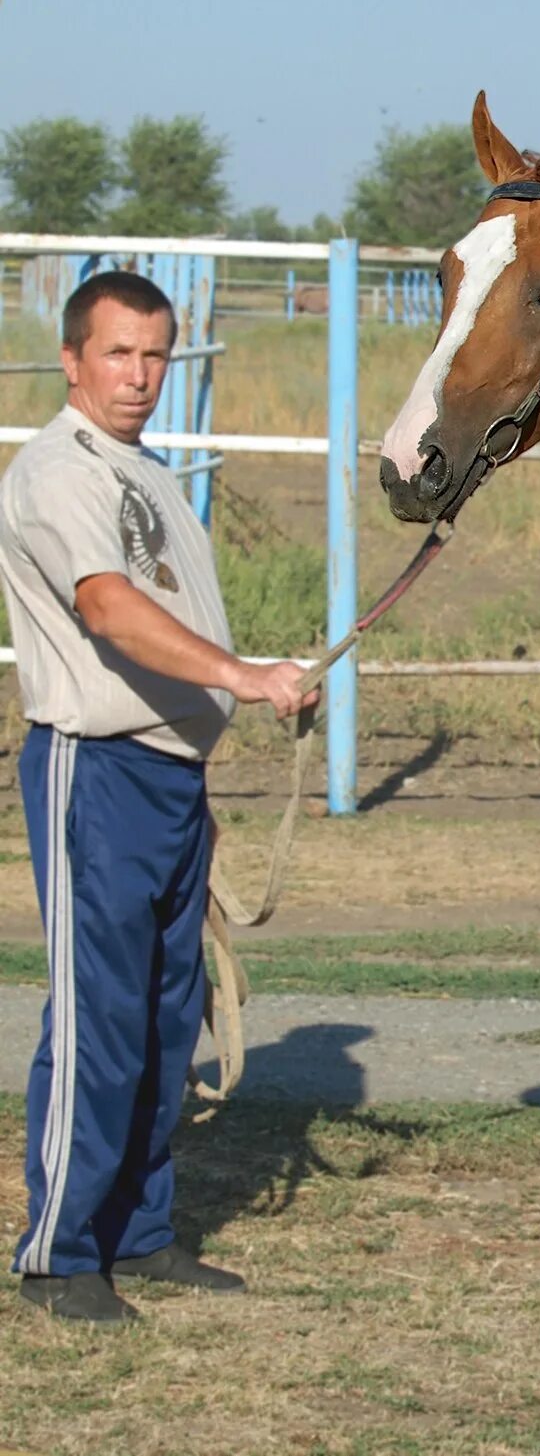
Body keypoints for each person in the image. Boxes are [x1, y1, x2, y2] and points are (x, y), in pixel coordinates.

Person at [0, 270, 315, 1322]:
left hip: (168, 776)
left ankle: (137, 1231)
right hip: (96, 769)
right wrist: (244, 676)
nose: (139, 375)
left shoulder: (150, 475)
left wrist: (203, 756)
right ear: (73, 358)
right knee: (101, 1017)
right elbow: (109, 609)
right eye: (120, 353)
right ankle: (58, 1250)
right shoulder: (56, 473)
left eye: (155, 354)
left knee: (168, 1012)